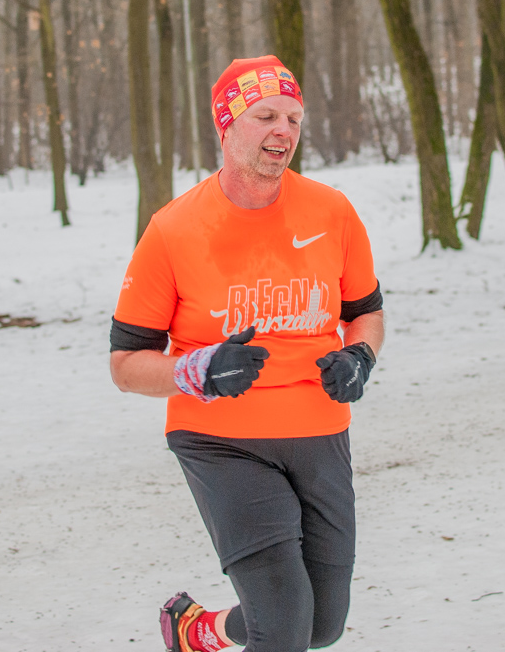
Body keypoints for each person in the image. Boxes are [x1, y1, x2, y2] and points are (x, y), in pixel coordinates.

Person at [109, 55, 385, 652]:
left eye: (293, 117)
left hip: (319, 433)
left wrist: (360, 356)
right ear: (227, 125)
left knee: (321, 626)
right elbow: (126, 366)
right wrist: (197, 369)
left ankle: (197, 629)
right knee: (284, 626)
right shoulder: (173, 229)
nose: (282, 130)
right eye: (265, 115)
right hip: (221, 441)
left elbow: (366, 312)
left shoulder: (331, 212)